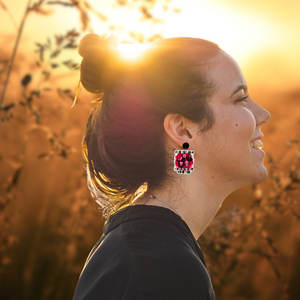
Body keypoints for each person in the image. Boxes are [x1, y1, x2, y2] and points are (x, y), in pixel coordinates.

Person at [72, 33, 271, 300]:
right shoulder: (160, 269)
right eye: (240, 99)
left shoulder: (146, 249)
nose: (263, 115)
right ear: (182, 130)